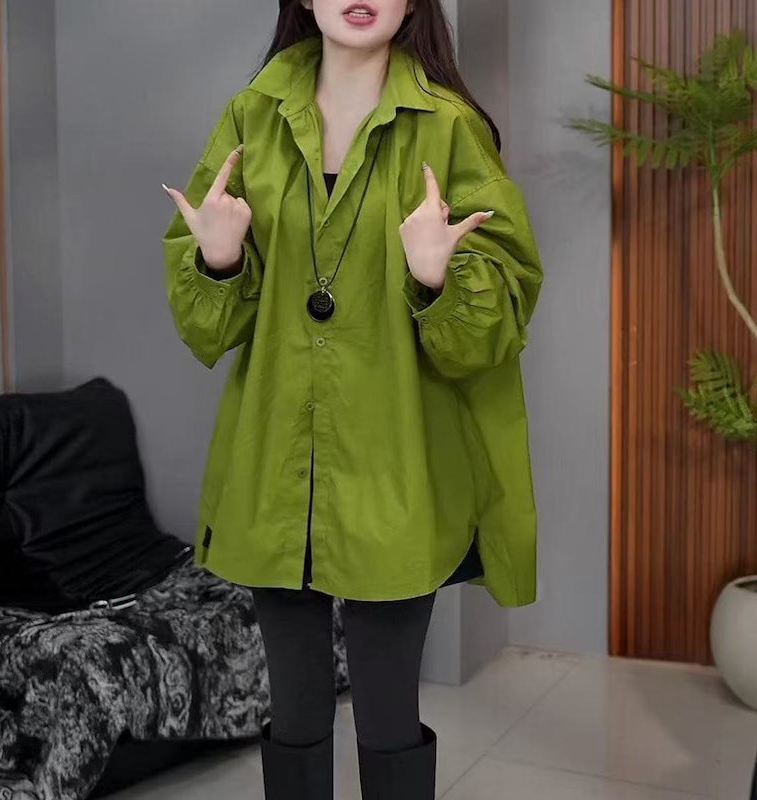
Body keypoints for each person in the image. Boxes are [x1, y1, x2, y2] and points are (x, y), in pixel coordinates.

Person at [161, 1, 543, 797]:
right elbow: (207, 327)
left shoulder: (448, 127)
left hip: (398, 462)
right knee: (295, 711)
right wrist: (220, 260)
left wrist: (439, 277)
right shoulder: (252, 116)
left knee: (387, 714)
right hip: (276, 461)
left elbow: (490, 333)